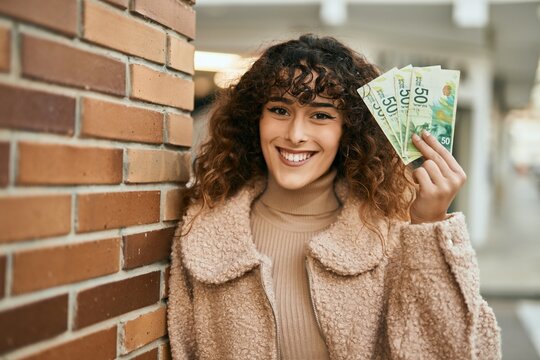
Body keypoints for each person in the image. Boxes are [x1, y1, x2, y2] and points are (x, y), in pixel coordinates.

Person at [166, 34, 501, 360]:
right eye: (280, 110)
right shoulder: (202, 232)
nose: (295, 135)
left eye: (321, 115)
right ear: (255, 118)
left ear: (349, 131)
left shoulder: (392, 236)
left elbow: (455, 350)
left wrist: (430, 226)